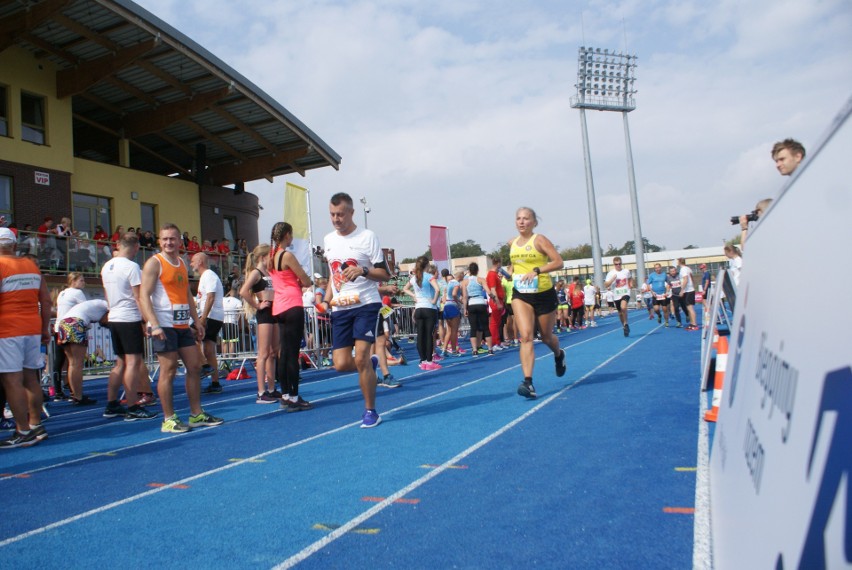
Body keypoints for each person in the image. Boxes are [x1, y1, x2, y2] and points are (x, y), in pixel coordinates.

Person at [139, 223, 223, 433]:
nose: (168, 242)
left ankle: (196, 414)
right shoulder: (154, 263)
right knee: (168, 370)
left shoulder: (182, 263)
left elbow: (186, 294)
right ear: (159, 241)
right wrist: (154, 324)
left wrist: (196, 322)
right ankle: (168, 418)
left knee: (194, 366)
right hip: (163, 325)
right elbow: (143, 295)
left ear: (179, 241)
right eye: (165, 239)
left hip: (182, 324)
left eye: (172, 239)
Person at [319, 193, 390, 428]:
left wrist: (363, 271)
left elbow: (384, 274)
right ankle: (370, 364)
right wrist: (327, 300)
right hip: (341, 307)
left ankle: (371, 411)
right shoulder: (329, 240)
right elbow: (332, 275)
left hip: (366, 304)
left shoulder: (367, 237)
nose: (336, 219)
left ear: (351, 213)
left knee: (359, 356)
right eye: (332, 214)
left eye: (340, 214)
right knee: (340, 364)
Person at [0, 227, 51, 448]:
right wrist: (45, 328)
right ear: (13, 245)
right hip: (32, 326)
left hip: (7, 329)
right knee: (31, 378)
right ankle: (35, 423)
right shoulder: (31, 265)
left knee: (12, 380)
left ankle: (22, 430)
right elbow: (46, 301)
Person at [507, 207, 566, 399]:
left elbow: (558, 262)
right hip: (521, 294)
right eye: (518, 218)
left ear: (534, 222)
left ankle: (558, 354)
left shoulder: (539, 240)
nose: (522, 222)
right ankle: (528, 383)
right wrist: (512, 274)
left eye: (526, 219)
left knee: (547, 337)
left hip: (543, 294)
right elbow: (516, 265)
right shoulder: (512, 243)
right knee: (525, 336)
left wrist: (538, 270)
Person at [100, 232, 158, 420]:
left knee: (120, 363)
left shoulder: (107, 266)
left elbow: (108, 295)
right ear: (135, 247)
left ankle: (112, 403)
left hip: (115, 316)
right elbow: (138, 296)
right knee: (133, 362)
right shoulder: (132, 267)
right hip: (129, 317)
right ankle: (132, 406)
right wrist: (146, 320)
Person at [270, 222, 314, 412]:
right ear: (287, 235)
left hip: (279, 307)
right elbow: (305, 279)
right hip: (292, 304)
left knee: (284, 353)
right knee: (292, 353)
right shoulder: (287, 255)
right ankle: (294, 397)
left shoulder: (271, 257)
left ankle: (286, 394)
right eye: (291, 234)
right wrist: (303, 281)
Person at [239, 243, 280, 403]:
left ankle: (271, 388)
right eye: (271, 256)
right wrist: (257, 305)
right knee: (263, 353)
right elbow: (243, 291)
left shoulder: (269, 272)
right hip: (264, 313)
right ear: (263, 257)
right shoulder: (255, 273)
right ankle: (261, 392)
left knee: (272, 352)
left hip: (274, 311)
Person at [56, 299, 110, 405]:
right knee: (77, 363)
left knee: (72, 363)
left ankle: (75, 395)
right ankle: (78, 396)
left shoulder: (93, 306)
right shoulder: (107, 305)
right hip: (76, 323)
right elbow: (108, 319)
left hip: (63, 324)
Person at [191, 253, 226, 394]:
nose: (191, 264)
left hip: (211, 316)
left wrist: (203, 318)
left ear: (200, 262)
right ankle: (215, 382)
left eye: (193, 261)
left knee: (187, 335)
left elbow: (210, 297)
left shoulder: (208, 275)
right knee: (209, 350)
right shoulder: (205, 277)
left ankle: (204, 365)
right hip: (213, 315)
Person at [52, 272, 87, 399]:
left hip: (58, 328)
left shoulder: (62, 293)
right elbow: (85, 308)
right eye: (81, 280)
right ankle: (75, 392)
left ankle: (58, 391)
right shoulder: (77, 293)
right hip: (71, 328)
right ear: (73, 281)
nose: (84, 283)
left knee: (60, 361)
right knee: (74, 362)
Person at [403, 256, 441, 370]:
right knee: (429, 335)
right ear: (427, 265)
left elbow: (405, 288)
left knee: (420, 335)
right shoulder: (429, 277)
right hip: (429, 308)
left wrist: (414, 296)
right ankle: (429, 361)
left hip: (418, 308)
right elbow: (438, 289)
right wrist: (434, 300)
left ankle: (423, 360)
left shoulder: (414, 278)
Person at [462, 262, 492, 355]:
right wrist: (494, 298)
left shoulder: (465, 282)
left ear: (469, 271)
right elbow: (488, 292)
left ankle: (474, 350)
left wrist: (465, 309)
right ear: (477, 271)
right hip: (481, 303)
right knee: (486, 327)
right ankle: (490, 349)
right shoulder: (481, 280)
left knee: (473, 328)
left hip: (471, 304)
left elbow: (464, 296)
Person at [604, 256, 634, 337]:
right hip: (616, 295)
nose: (618, 265)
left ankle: (626, 323)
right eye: (616, 264)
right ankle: (624, 326)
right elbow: (606, 284)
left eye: (619, 264)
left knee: (623, 307)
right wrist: (612, 279)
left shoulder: (626, 271)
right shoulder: (611, 273)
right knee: (620, 313)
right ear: (614, 264)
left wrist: (630, 284)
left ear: (621, 263)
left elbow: (630, 278)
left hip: (625, 292)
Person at [440, 270, 463, 356]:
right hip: (453, 306)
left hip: (446, 306)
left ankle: (444, 350)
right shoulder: (456, 283)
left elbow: (444, 297)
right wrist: (458, 302)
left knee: (449, 330)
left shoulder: (449, 284)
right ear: (460, 276)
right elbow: (454, 294)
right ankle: (453, 350)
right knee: (454, 330)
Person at [486, 257, 506, 348]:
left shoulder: (495, 274)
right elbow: (493, 289)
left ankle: (497, 342)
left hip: (499, 299)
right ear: (498, 263)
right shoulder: (492, 274)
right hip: (495, 300)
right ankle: (494, 343)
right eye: (500, 263)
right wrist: (497, 302)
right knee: (494, 322)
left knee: (498, 322)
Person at [677, 257, 699, 330]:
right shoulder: (688, 268)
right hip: (690, 289)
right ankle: (692, 323)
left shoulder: (683, 269)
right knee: (688, 307)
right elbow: (691, 278)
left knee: (690, 308)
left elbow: (685, 279)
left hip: (688, 290)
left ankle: (694, 324)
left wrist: (682, 290)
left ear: (679, 262)